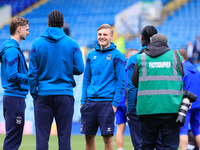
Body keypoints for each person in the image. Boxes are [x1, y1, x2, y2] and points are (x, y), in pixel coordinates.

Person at [28, 10, 84, 150]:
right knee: (64, 139)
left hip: (43, 95)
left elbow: (32, 73)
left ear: (48, 23)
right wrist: (63, 67)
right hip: (64, 95)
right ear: (63, 24)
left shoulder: (37, 43)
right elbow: (80, 68)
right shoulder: (72, 43)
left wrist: (35, 94)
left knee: (42, 139)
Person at [132, 34, 183, 150]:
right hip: (171, 108)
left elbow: (135, 82)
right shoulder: (175, 56)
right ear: (167, 44)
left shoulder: (141, 58)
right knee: (170, 146)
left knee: (147, 146)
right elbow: (181, 75)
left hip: (147, 109)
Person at [81, 24, 126, 150]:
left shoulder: (118, 55)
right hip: (90, 102)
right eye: (100, 34)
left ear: (111, 36)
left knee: (107, 138)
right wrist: (83, 101)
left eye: (105, 35)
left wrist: (115, 104)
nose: (102, 37)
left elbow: (121, 82)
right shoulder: (91, 55)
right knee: (88, 137)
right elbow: (86, 80)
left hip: (107, 103)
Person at [126, 26, 162, 150]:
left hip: (139, 107)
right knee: (160, 144)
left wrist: (130, 109)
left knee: (140, 145)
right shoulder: (163, 58)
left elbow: (131, 86)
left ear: (141, 38)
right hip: (159, 106)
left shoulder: (133, 58)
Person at [0, 16, 29, 150]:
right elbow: (12, 75)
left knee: (14, 136)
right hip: (14, 97)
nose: (28, 32)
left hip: (14, 97)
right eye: (26, 29)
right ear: (19, 29)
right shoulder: (12, 50)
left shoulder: (12, 48)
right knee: (13, 139)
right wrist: (30, 77)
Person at [115, 48, 138, 150]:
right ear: (130, 55)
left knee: (120, 128)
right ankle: (135, 147)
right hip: (130, 101)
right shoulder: (135, 64)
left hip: (119, 101)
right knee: (135, 128)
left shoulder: (118, 65)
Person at [178, 49, 200, 150]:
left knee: (183, 130)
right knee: (196, 129)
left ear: (181, 57)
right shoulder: (196, 69)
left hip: (186, 103)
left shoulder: (181, 69)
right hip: (198, 103)